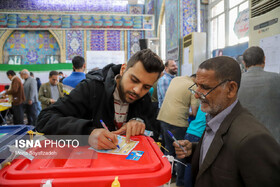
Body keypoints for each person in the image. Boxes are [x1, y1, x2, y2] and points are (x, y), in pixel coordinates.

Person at [174, 56, 280, 187]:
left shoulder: (253, 139)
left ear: (231, 89)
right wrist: (194, 149)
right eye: (197, 86)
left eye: (205, 87)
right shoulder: (214, 118)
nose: (196, 94)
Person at [36, 49, 165, 150]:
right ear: (123, 69)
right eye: (134, 80)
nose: (137, 90)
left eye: (146, 86)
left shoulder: (144, 98)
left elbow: (155, 130)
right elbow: (45, 119)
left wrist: (140, 122)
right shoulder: (92, 88)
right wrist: (87, 133)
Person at [157, 74, 199, 187]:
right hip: (178, 122)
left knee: (168, 150)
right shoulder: (194, 86)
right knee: (180, 154)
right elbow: (195, 112)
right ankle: (179, 183)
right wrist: (188, 111)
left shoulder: (176, 79)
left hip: (163, 117)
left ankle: (166, 178)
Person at [238, 46, 280, 143]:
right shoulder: (277, 79)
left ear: (243, 63)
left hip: (245, 141)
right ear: (264, 59)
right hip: (274, 142)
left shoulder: (236, 83)